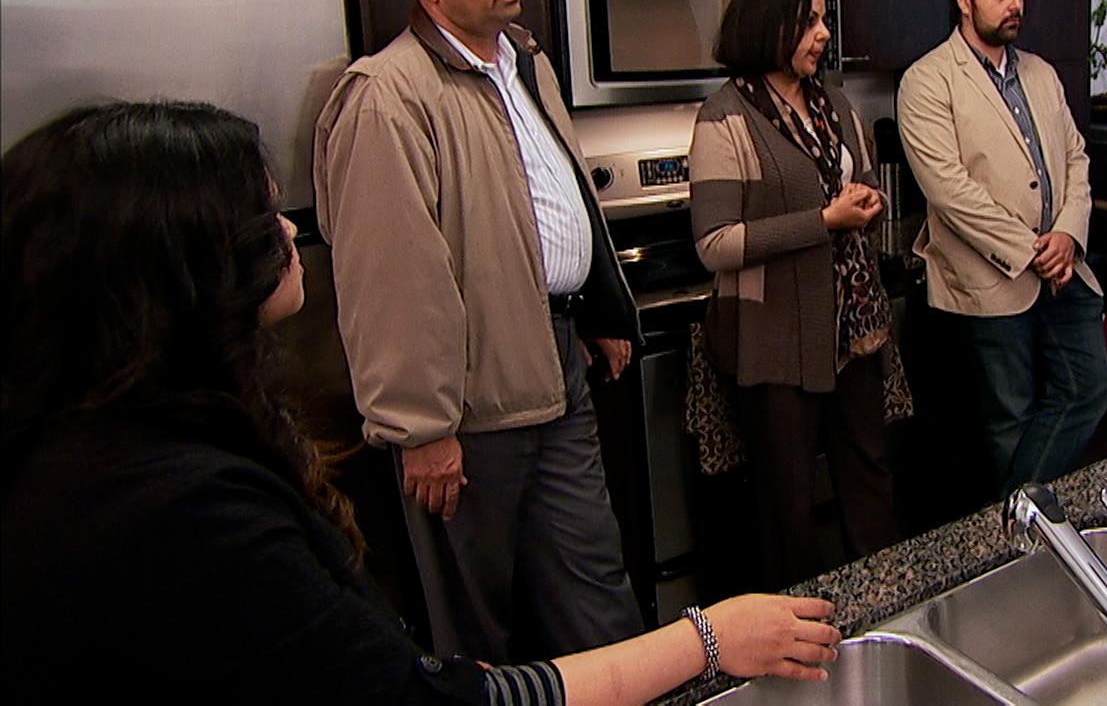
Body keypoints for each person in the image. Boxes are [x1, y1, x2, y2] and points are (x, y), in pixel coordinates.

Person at [0, 100, 842, 704]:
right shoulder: (182, 514)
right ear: (177, 271)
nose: (289, 229)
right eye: (261, 214)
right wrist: (708, 639)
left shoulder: (99, 449)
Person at [314, 0, 641, 661]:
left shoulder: (526, 63)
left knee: (594, 590)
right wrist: (421, 428)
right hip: (466, 397)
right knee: (477, 624)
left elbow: (552, 199)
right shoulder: (388, 97)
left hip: (556, 361)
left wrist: (595, 309)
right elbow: (391, 278)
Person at [688, 0, 905, 589]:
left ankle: (885, 605)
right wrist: (824, 221)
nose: (824, 33)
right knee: (788, 509)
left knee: (869, 480)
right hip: (774, 341)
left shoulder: (834, 102)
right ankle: (800, 631)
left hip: (853, 332)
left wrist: (867, 201)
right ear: (770, 25)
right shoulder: (724, 118)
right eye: (809, 21)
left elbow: (862, 179)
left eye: (823, 19)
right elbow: (715, 243)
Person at [897, 0, 1107, 500]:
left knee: (1089, 386)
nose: (1015, 4)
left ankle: (1016, 518)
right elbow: (949, 190)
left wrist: (1068, 235)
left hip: (1064, 268)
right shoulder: (928, 80)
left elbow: (1076, 158)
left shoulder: (1041, 73)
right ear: (964, 0)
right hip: (991, 278)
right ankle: (1026, 530)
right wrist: (1033, 250)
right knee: (1008, 417)